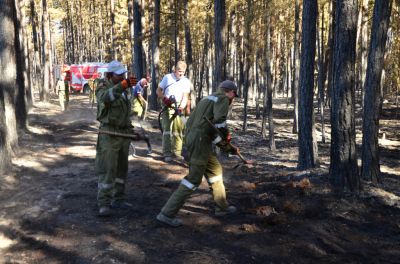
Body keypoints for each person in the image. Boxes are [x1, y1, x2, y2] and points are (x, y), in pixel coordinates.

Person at [156, 80, 240, 227]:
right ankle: (167, 213)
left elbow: (209, 130)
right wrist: (226, 135)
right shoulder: (223, 98)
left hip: (197, 139)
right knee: (193, 179)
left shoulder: (207, 99)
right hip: (200, 142)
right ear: (231, 92)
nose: (232, 99)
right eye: (233, 96)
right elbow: (219, 123)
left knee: (215, 171)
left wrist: (229, 149)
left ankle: (222, 207)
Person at [95, 60, 136, 216]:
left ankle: (118, 199)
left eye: (123, 75)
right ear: (110, 75)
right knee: (108, 169)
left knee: (121, 170)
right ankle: (104, 203)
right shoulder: (103, 87)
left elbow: (125, 114)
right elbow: (105, 98)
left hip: (123, 134)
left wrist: (132, 130)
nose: (122, 77)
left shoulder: (125, 90)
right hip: (109, 135)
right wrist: (123, 86)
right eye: (119, 75)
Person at [156, 61, 191, 162]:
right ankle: (167, 153)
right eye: (179, 71)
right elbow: (158, 91)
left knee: (178, 130)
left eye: (183, 72)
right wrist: (164, 98)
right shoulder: (167, 78)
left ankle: (177, 153)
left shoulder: (186, 81)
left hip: (179, 107)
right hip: (167, 106)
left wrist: (181, 107)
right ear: (175, 69)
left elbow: (185, 97)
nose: (181, 74)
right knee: (167, 130)